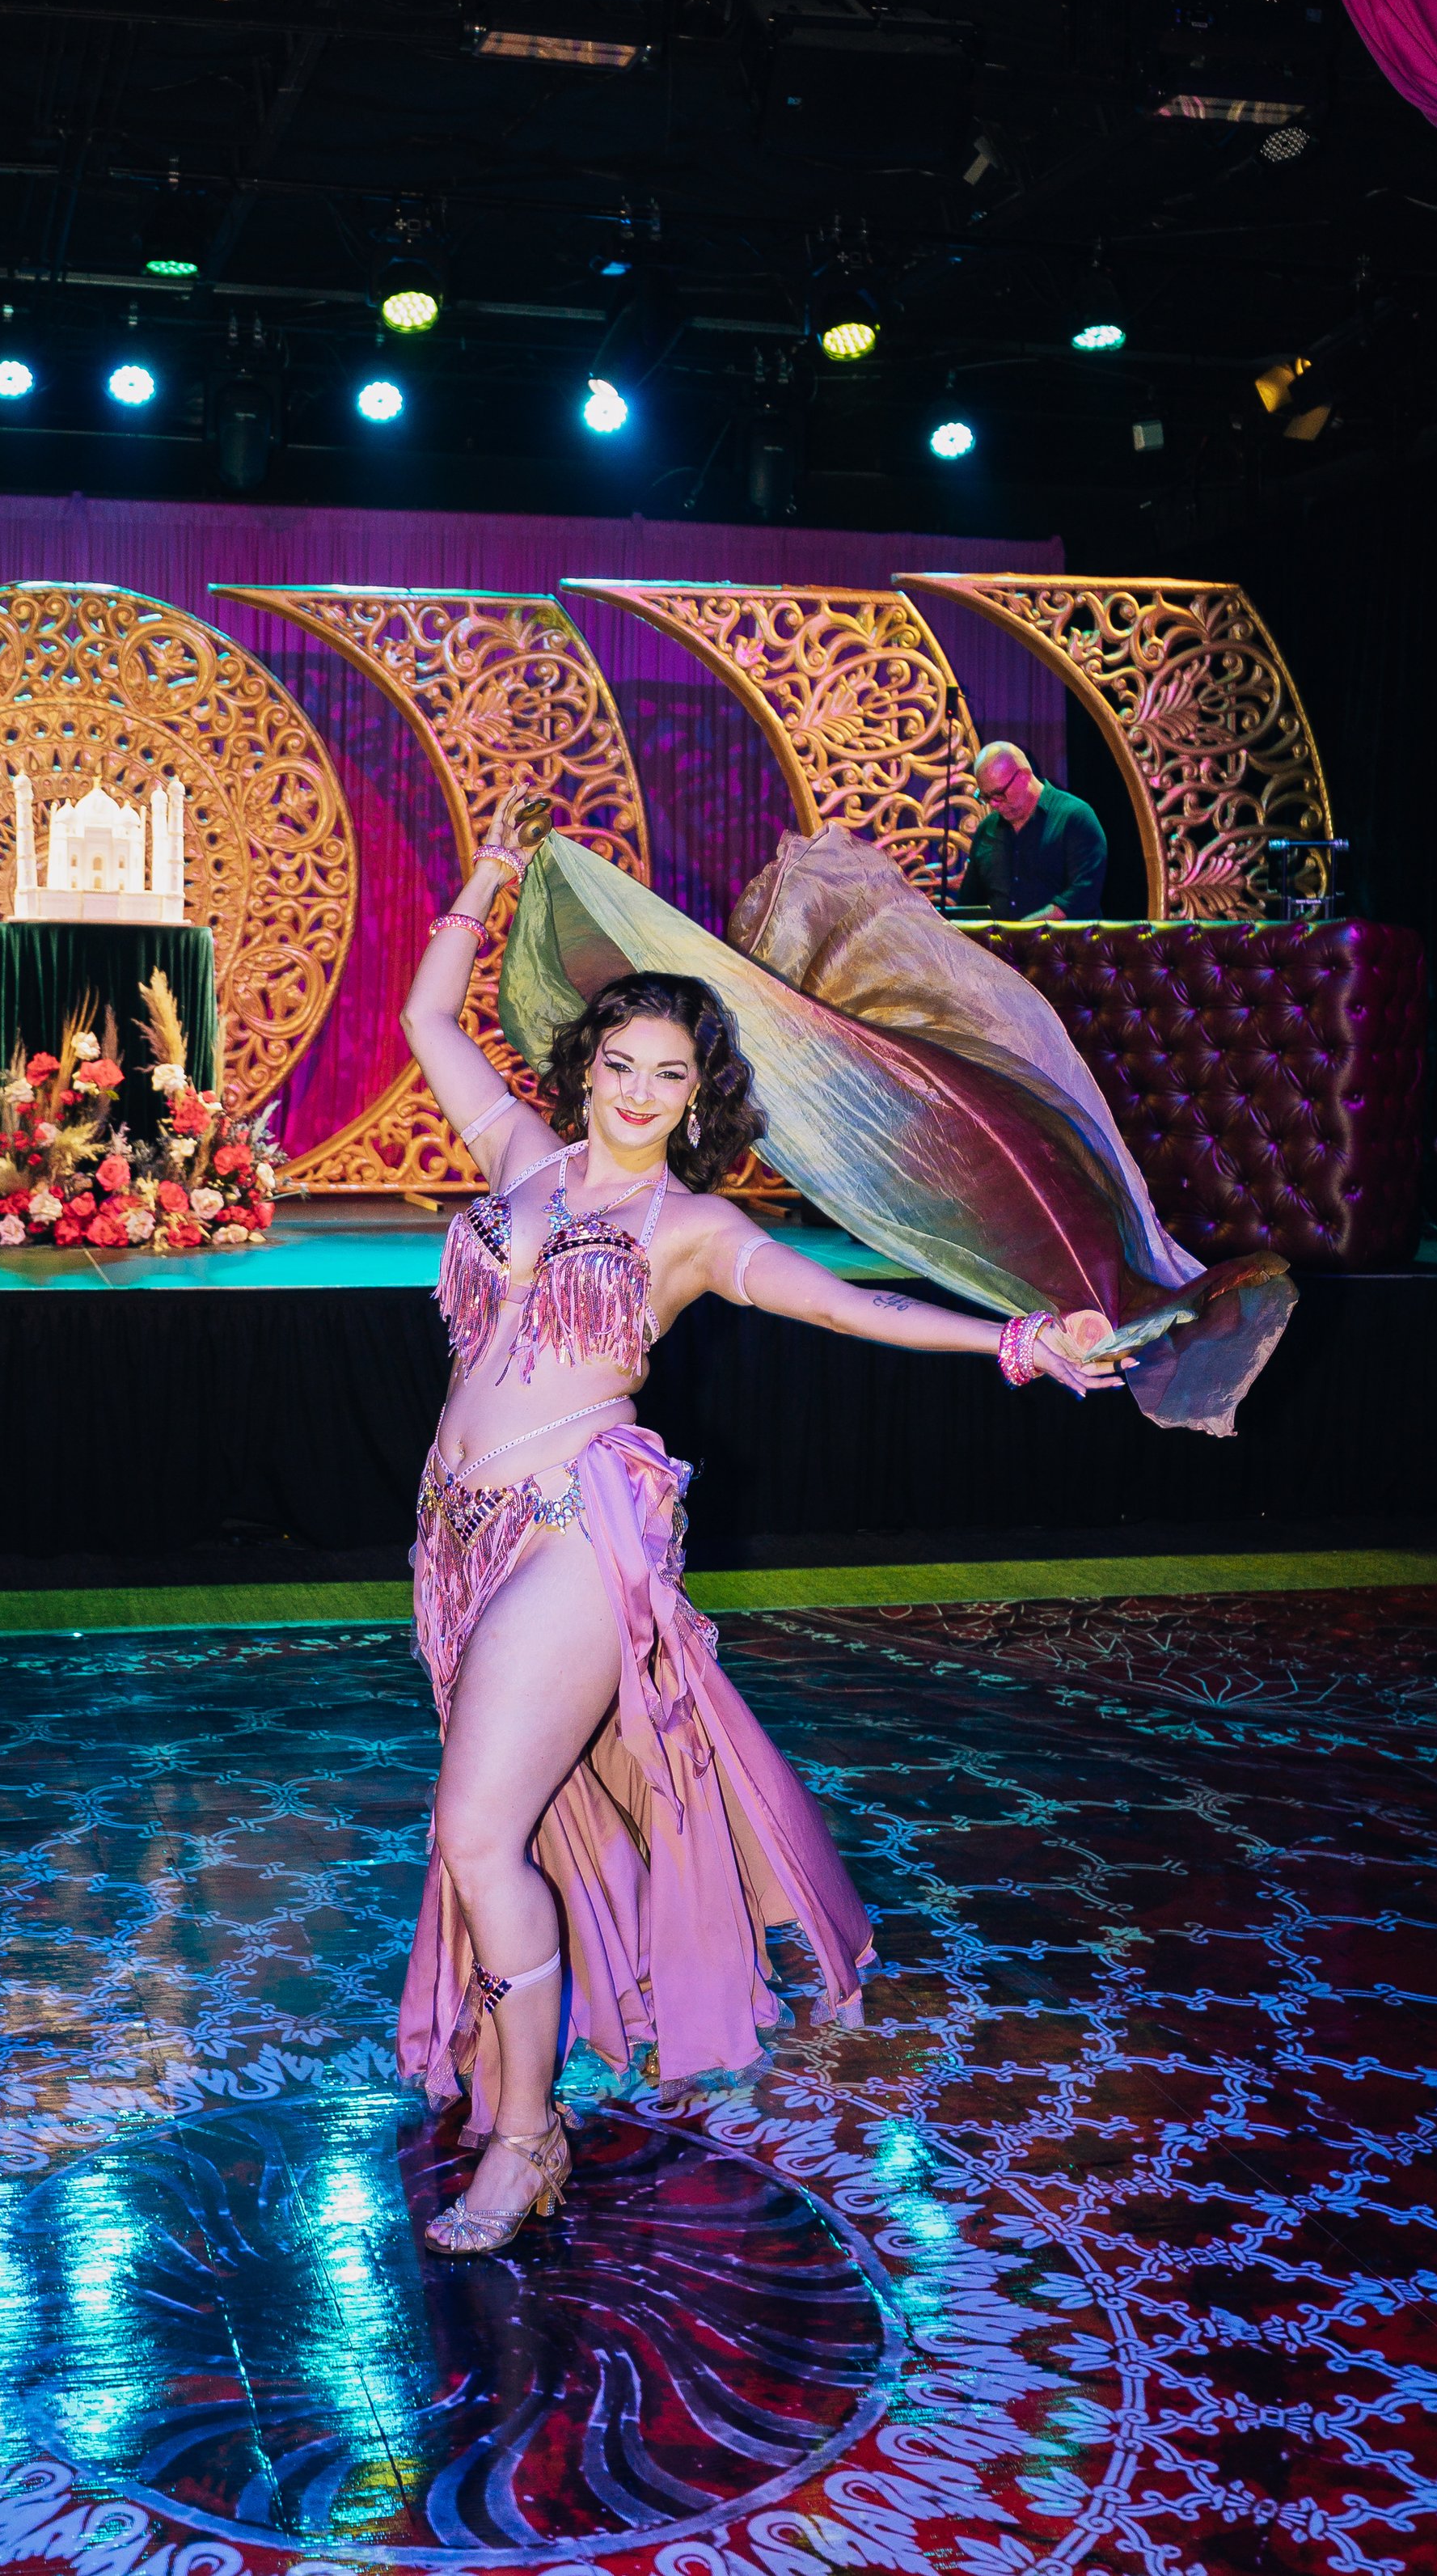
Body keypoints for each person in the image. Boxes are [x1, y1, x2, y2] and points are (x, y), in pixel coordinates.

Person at [396, 792, 1127, 2260]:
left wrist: (1019, 1343)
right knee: (491, 1831)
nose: (641, 1092)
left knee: (479, 1832)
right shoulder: (516, 1159)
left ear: (699, 1092)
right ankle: (518, 2094)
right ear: (586, 1064)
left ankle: (527, 2136)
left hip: (571, 1535)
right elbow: (426, 1019)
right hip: (452, 1539)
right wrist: (484, 873)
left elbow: (858, 1305)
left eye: (671, 1074)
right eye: (620, 1064)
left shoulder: (696, 1233)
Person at [956, 740, 1108, 920]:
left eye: (999, 794)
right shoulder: (986, 829)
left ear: (1024, 776)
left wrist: (1021, 934)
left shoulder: (1075, 817)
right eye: (986, 797)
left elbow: (1082, 896)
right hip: (997, 948)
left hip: (1064, 947)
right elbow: (970, 903)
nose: (994, 804)